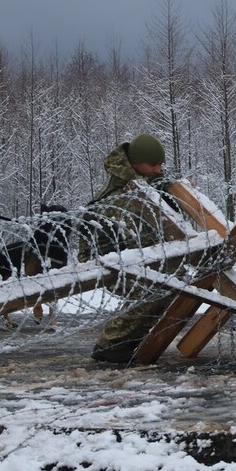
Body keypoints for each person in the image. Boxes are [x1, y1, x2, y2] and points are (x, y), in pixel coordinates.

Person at [89, 133, 175, 364]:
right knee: (155, 284)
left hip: (128, 257)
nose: (158, 170)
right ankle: (111, 344)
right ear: (135, 164)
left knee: (170, 285)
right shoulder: (121, 196)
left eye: (161, 165)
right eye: (153, 164)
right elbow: (144, 240)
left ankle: (131, 340)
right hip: (102, 259)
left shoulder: (142, 185)